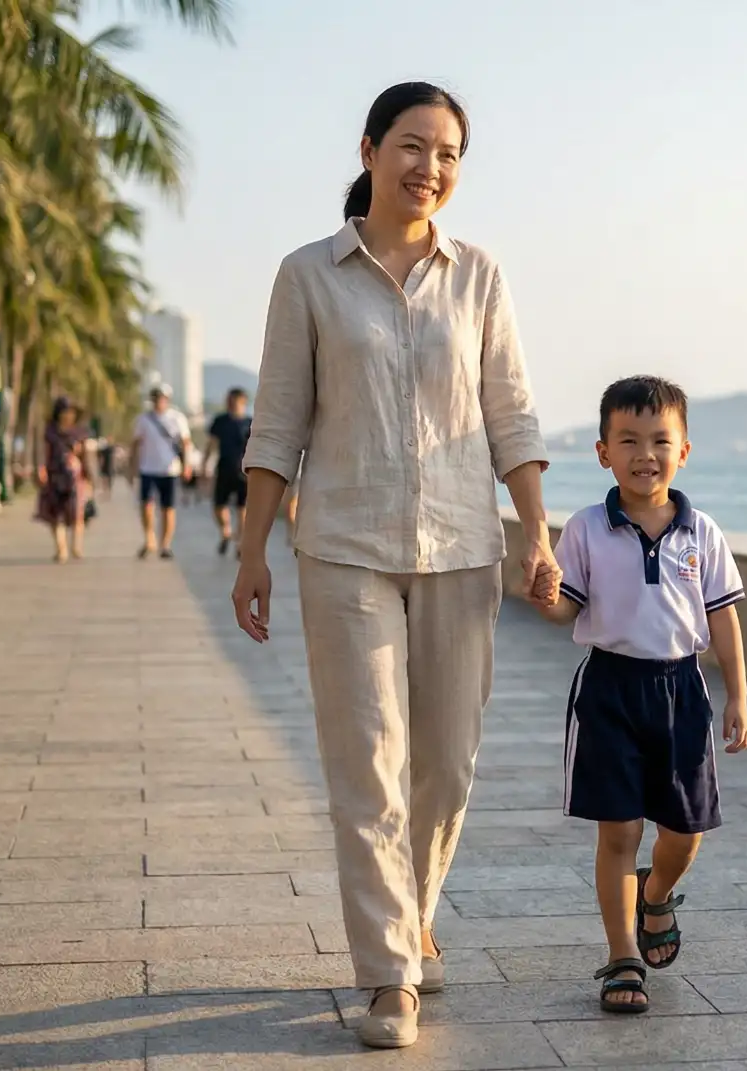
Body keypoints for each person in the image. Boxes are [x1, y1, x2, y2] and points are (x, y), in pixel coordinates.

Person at [229, 82, 555, 1050]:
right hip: (345, 547)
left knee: (446, 768)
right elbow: (278, 421)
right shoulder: (309, 275)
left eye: (450, 153)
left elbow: (513, 412)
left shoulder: (481, 274)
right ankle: (389, 975)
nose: (431, 169)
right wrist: (252, 549)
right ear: (370, 149)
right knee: (368, 765)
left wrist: (535, 528)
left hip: (463, 544)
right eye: (413, 147)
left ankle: (415, 912)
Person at [534, 376, 747, 1014]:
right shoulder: (584, 529)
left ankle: (655, 894)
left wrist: (737, 696)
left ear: (683, 451)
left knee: (684, 832)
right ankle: (622, 954)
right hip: (609, 688)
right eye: (627, 439)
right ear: (603, 451)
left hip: (682, 689)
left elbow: (724, 619)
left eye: (660, 440)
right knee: (619, 831)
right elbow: (565, 608)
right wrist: (544, 593)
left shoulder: (701, 533)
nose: (644, 453)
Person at [131, 384, 192, 559]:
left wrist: (186, 465)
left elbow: (185, 443)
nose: (159, 401)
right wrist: (132, 466)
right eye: (156, 398)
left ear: (168, 400)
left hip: (170, 469)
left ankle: (165, 544)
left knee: (168, 508)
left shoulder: (177, 418)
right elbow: (135, 443)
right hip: (148, 468)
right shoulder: (143, 419)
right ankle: (149, 538)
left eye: (162, 398)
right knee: (146, 506)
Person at [35, 397, 92, 563]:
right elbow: (44, 452)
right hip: (54, 476)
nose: (68, 415)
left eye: (70, 412)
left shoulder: (79, 432)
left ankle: (77, 546)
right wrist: (41, 468)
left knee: (77, 514)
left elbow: (86, 456)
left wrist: (88, 476)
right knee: (55, 514)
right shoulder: (50, 431)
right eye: (65, 412)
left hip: (75, 478)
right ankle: (61, 549)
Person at [205, 388, 252, 556]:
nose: (231, 404)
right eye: (229, 401)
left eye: (235, 401)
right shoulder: (220, 421)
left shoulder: (250, 423)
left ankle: (240, 543)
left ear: (243, 402)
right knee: (219, 506)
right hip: (224, 468)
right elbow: (211, 444)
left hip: (245, 472)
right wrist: (205, 465)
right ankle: (226, 531)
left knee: (243, 509)